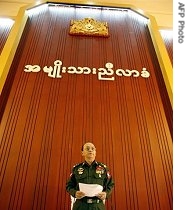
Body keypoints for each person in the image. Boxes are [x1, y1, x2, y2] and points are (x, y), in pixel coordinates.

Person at [66, 142, 114, 210]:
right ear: (82, 153)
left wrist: (106, 194)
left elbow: (110, 184)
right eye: (87, 148)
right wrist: (75, 193)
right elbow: (69, 185)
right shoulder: (76, 169)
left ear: (95, 152)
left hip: (98, 206)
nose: (90, 150)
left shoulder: (103, 168)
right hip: (80, 205)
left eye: (92, 149)